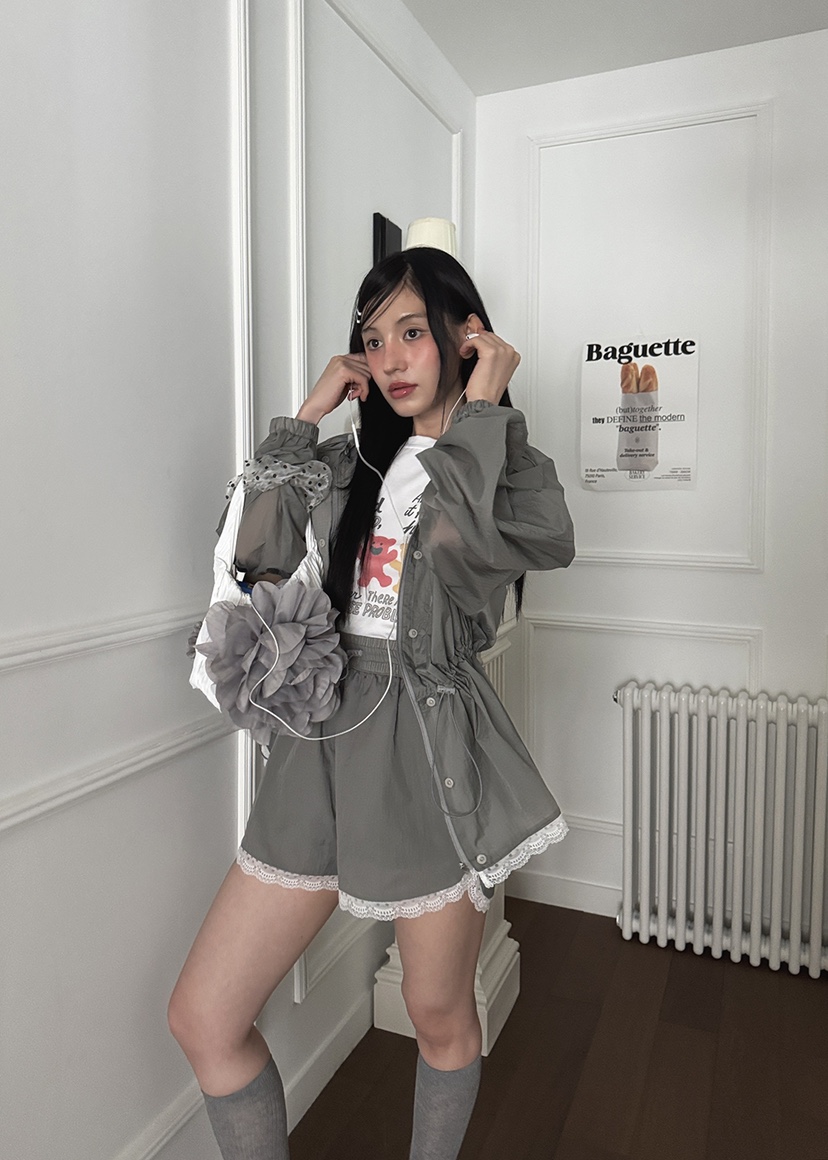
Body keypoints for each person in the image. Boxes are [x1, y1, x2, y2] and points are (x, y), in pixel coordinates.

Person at [168, 246, 575, 1159]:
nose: (390, 359)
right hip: (318, 740)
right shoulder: (348, 466)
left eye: (413, 332)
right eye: (373, 338)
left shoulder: (504, 464)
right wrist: (308, 417)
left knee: (437, 1014)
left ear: (466, 336)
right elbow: (259, 560)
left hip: (427, 749)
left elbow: (484, 555)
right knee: (204, 1016)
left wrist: (481, 408)